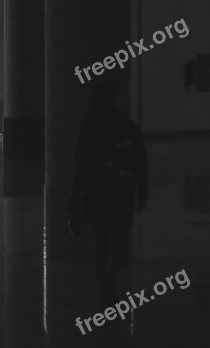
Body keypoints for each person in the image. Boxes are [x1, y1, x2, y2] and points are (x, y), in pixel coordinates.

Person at [68, 80, 148, 307]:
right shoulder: (126, 125)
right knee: (120, 240)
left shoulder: (89, 125)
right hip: (123, 191)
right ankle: (110, 278)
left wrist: (74, 199)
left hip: (97, 191)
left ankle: (104, 285)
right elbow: (139, 161)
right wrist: (142, 189)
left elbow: (80, 164)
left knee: (102, 242)